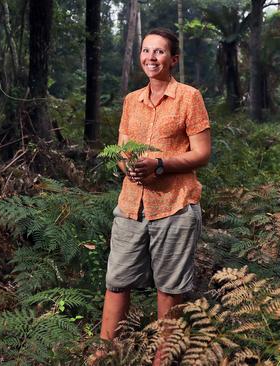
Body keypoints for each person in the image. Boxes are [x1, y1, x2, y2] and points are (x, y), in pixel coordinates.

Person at [93, 28, 211, 364]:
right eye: (146, 51)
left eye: (159, 52)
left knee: (170, 288)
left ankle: (163, 358)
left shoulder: (189, 97)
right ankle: (105, 352)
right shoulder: (132, 100)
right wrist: (126, 165)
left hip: (174, 205)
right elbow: (121, 147)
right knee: (116, 280)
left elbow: (201, 153)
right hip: (131, 206)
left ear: (173, 59)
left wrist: (159, 163)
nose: (151, 58)